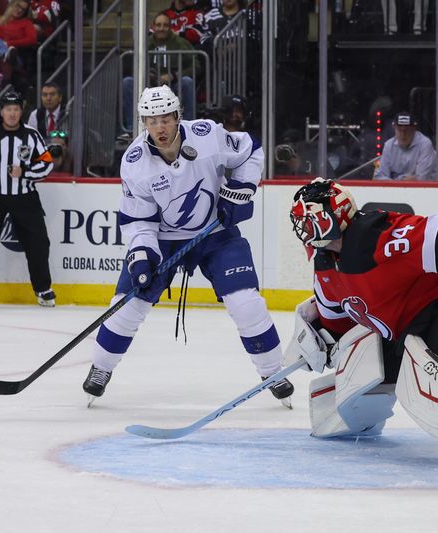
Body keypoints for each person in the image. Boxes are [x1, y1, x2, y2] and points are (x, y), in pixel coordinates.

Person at [81, 85, 294, 407]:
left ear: (178, 116)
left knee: (246, 302)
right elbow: (139, 221)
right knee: (127, 305)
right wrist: (142, 256)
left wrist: (240, 190)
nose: (160, 128)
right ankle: (101, 368)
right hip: (163, 240)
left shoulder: (208, 135)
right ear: (143, 123)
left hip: (215, 233)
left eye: (166, 118)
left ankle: (272, 371)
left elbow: (251, 149)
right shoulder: (135, 163)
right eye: (151, 121)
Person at [284, 178, 438, 475]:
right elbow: (336, 324)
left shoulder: (381, 239)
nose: (305, 227)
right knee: (365, 367)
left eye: (310, 217)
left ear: (335, 214)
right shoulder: (326, 265)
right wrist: (315, 338)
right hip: (406, 323)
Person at [0, 90, 55, 307]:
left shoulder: (32, 135)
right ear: (1, 111)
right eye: (8, 110)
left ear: (21, 111)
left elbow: (47, 163)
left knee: (38, 243)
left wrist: (25, 171)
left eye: (16, 109)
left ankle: (43, 289)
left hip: (25, 197)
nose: (12, 114)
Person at [122, 12, 196, 131]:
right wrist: (146, 75)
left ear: (170, 27)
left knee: (187, 82)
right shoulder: (144, 43)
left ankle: (187, 127)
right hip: (148, 86)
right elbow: (132, 67)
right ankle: (133, 128)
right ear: (153, 27)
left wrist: (174, 75)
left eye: (165, 25)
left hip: (173, 86)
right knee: (128, 82)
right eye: (159, 25)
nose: (162, 28)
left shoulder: (181, 43)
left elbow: (196, 65)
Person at [373, 111, 437, 180]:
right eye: (399, 130)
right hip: (393, 189)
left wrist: (393, 181)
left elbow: (421, 179)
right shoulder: (389, 145)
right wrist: (402, 181)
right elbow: (380, 176)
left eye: (407, 130)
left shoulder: (424, 144)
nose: (403, 134)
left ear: (414, 129)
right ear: (394, 128)